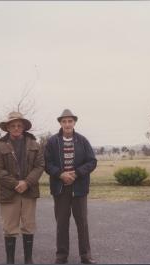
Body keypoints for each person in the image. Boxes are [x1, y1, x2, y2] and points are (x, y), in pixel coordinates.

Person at [44, 109, 97, 264]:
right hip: (60, 189)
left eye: (70, 121)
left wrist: (77, 173)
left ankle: (86, 256)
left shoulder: (83, 141)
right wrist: (60, 174)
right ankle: (61, 256)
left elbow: (92, 161)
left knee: (82, 223)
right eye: (64, 121)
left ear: (74, 122)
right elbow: (47, 164)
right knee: (61, 224)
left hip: (79, 189)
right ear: (60, 123)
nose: (67, 124)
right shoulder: (52, 142)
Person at [0, 111, 44, 264]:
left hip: (29, 191)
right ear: (7, 127)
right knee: (9, 228)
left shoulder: (35, 145)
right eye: (12, 125)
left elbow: (40, 166)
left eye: (19, 125)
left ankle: (29, 260)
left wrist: (26, 182)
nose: (16, 128)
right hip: (8, 193)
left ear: (24, 127)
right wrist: (15, 184)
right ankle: (10, 261)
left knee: (29, 226)